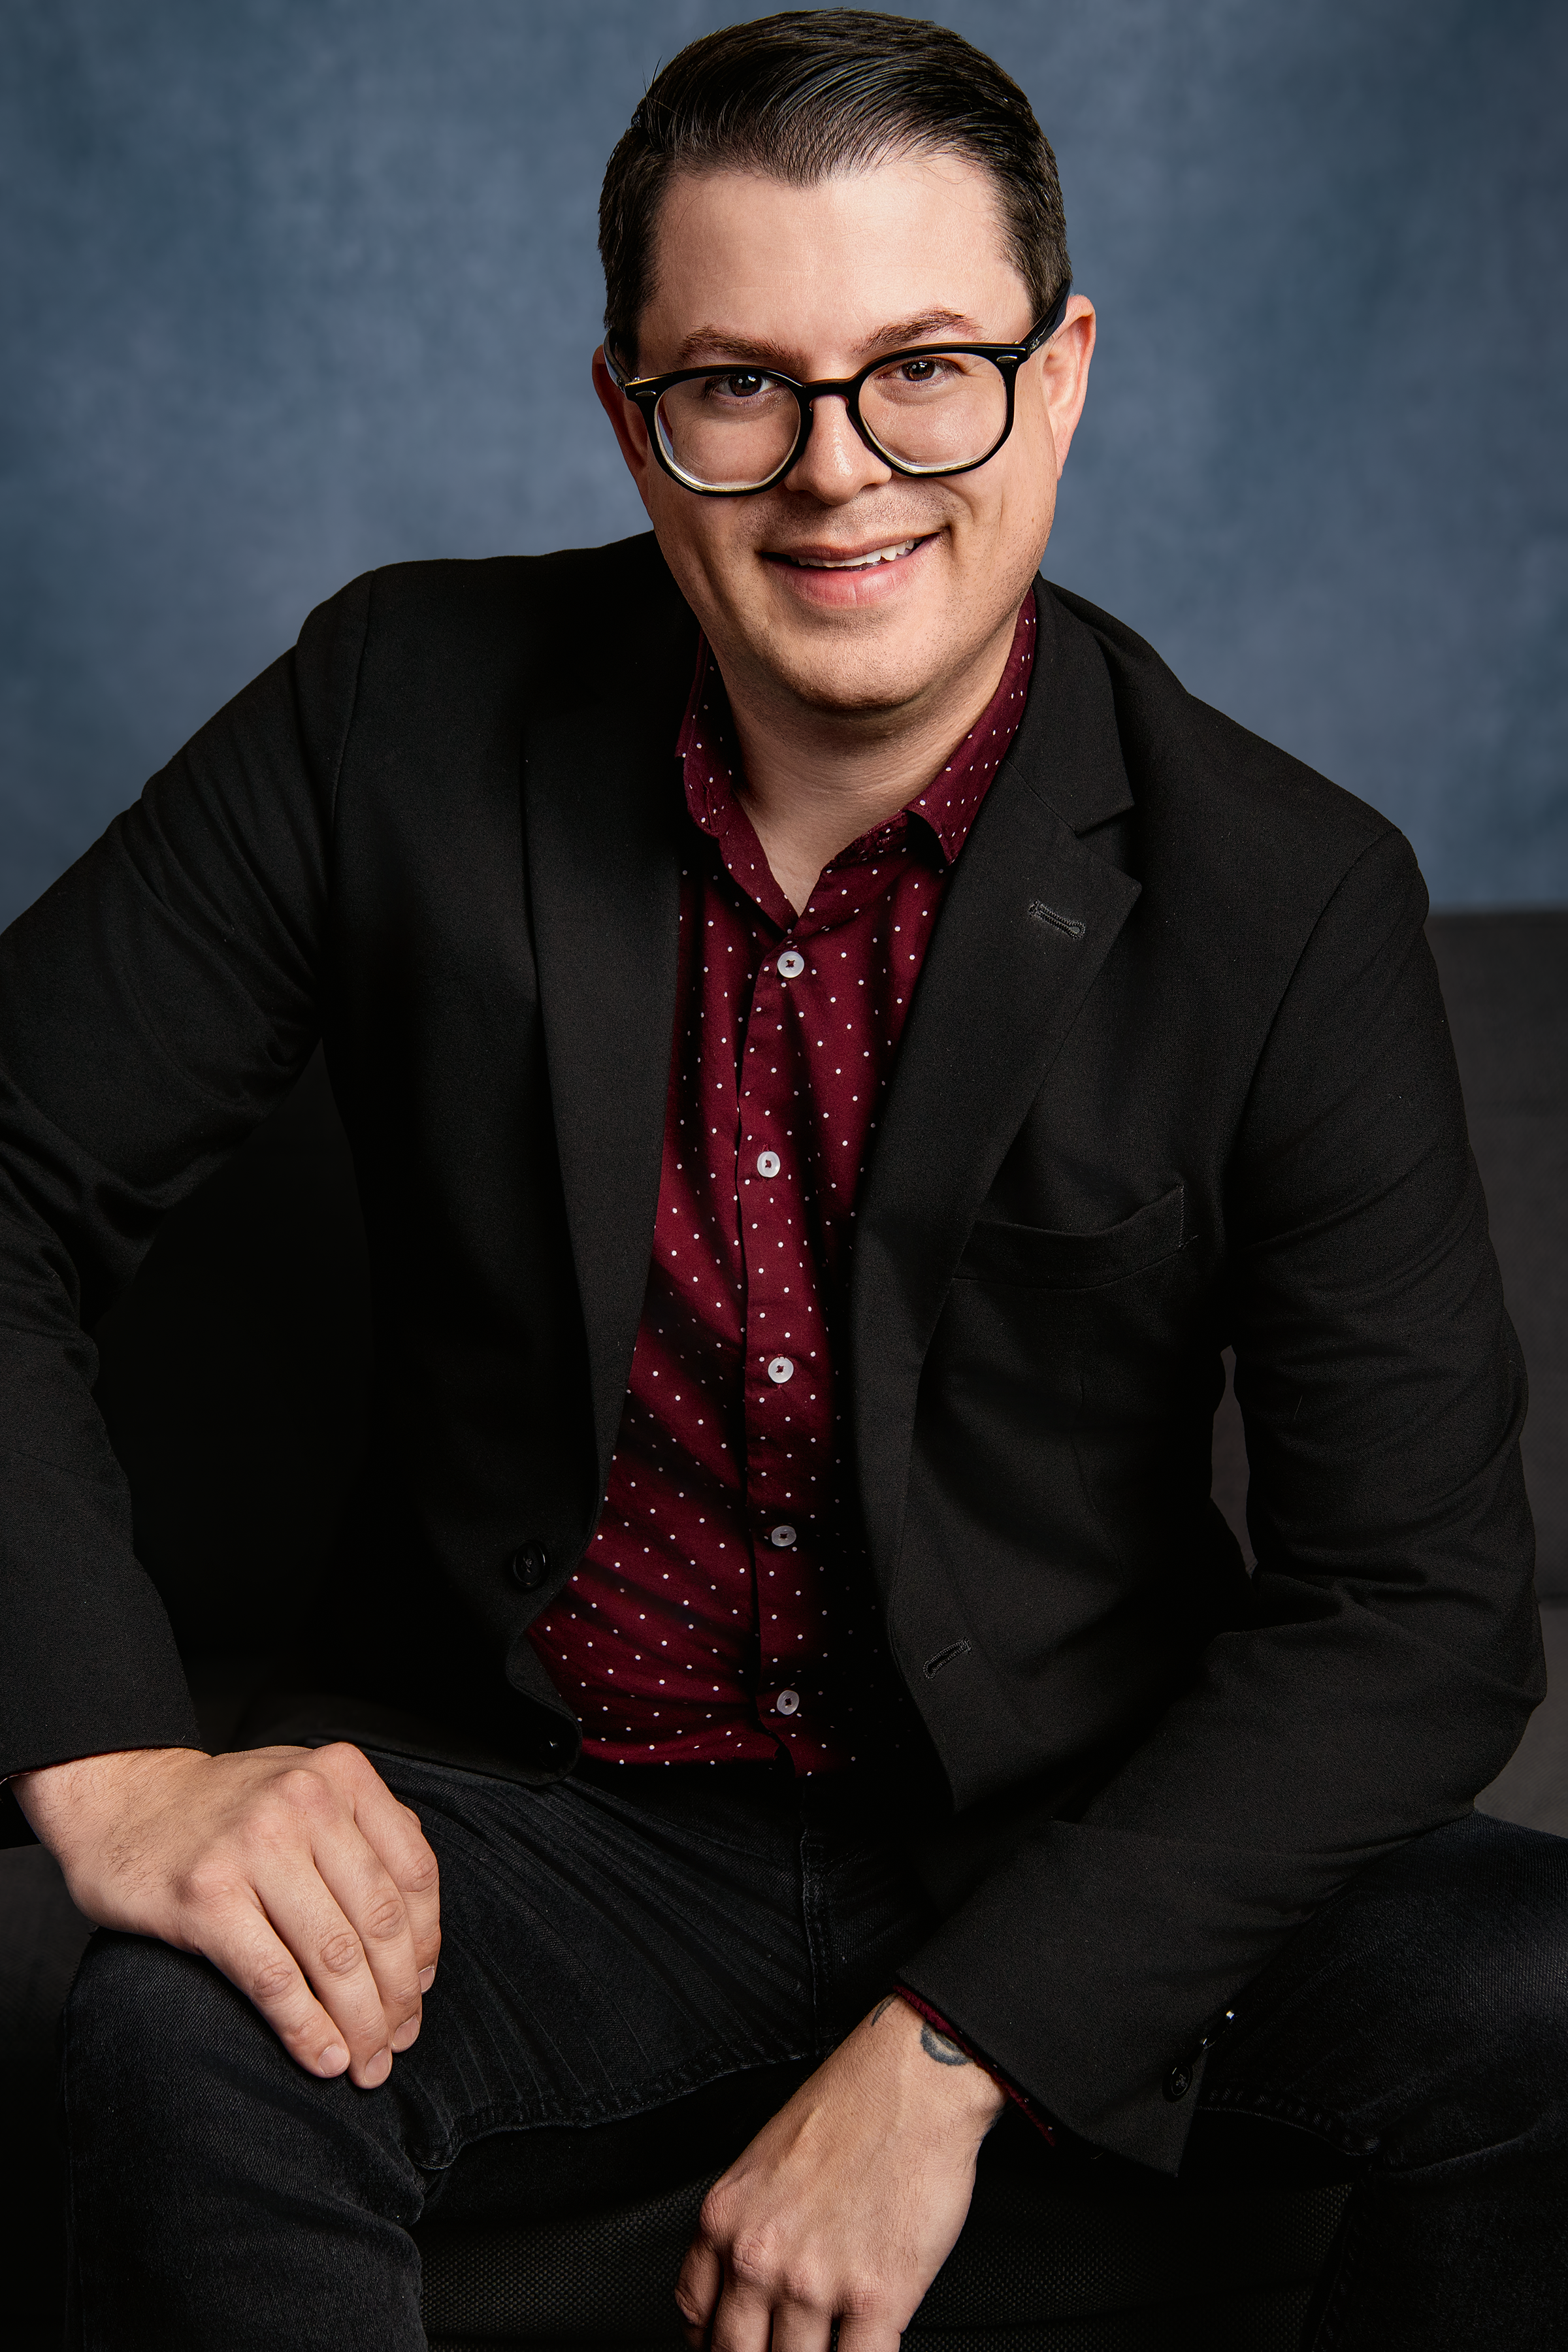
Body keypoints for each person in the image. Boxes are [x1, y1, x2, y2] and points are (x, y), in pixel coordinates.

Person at [1, 10, 1563, 2348]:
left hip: (1062, 1829)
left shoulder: (1289, 895)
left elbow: (1427, 1610)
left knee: (1540, 1987)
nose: (843, 477)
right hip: (546, 1821)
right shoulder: (392, 712)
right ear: (628, 414)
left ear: (1061, 373)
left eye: (927, 366)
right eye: (738, 384)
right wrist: (114, 1763)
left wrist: (959, 2051)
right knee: (172, 2041)